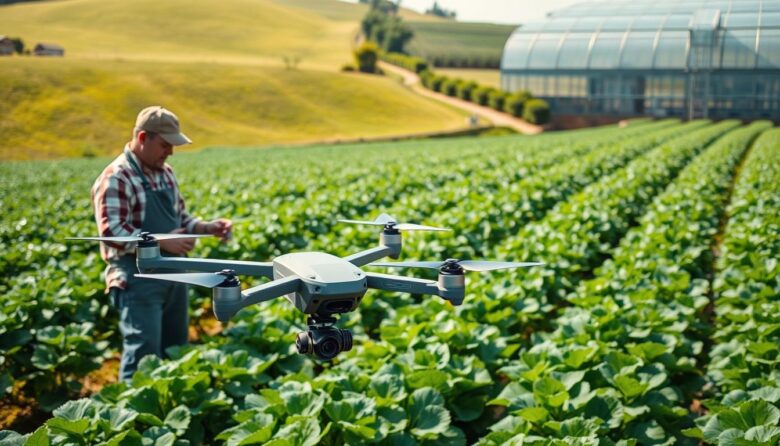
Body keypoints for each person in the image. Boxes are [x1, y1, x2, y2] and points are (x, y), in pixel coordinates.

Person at [91, 105, 232, 382]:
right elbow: (112, 232)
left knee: (176, 348)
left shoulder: (165, 172)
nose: (170, 152)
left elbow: (180, 218)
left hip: (174, 274)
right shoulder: (117, 177)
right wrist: (162, 242)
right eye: (166, 145)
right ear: (143, 138)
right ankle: (132, 417)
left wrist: (208, 228)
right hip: (138, 279)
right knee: (143, 355)